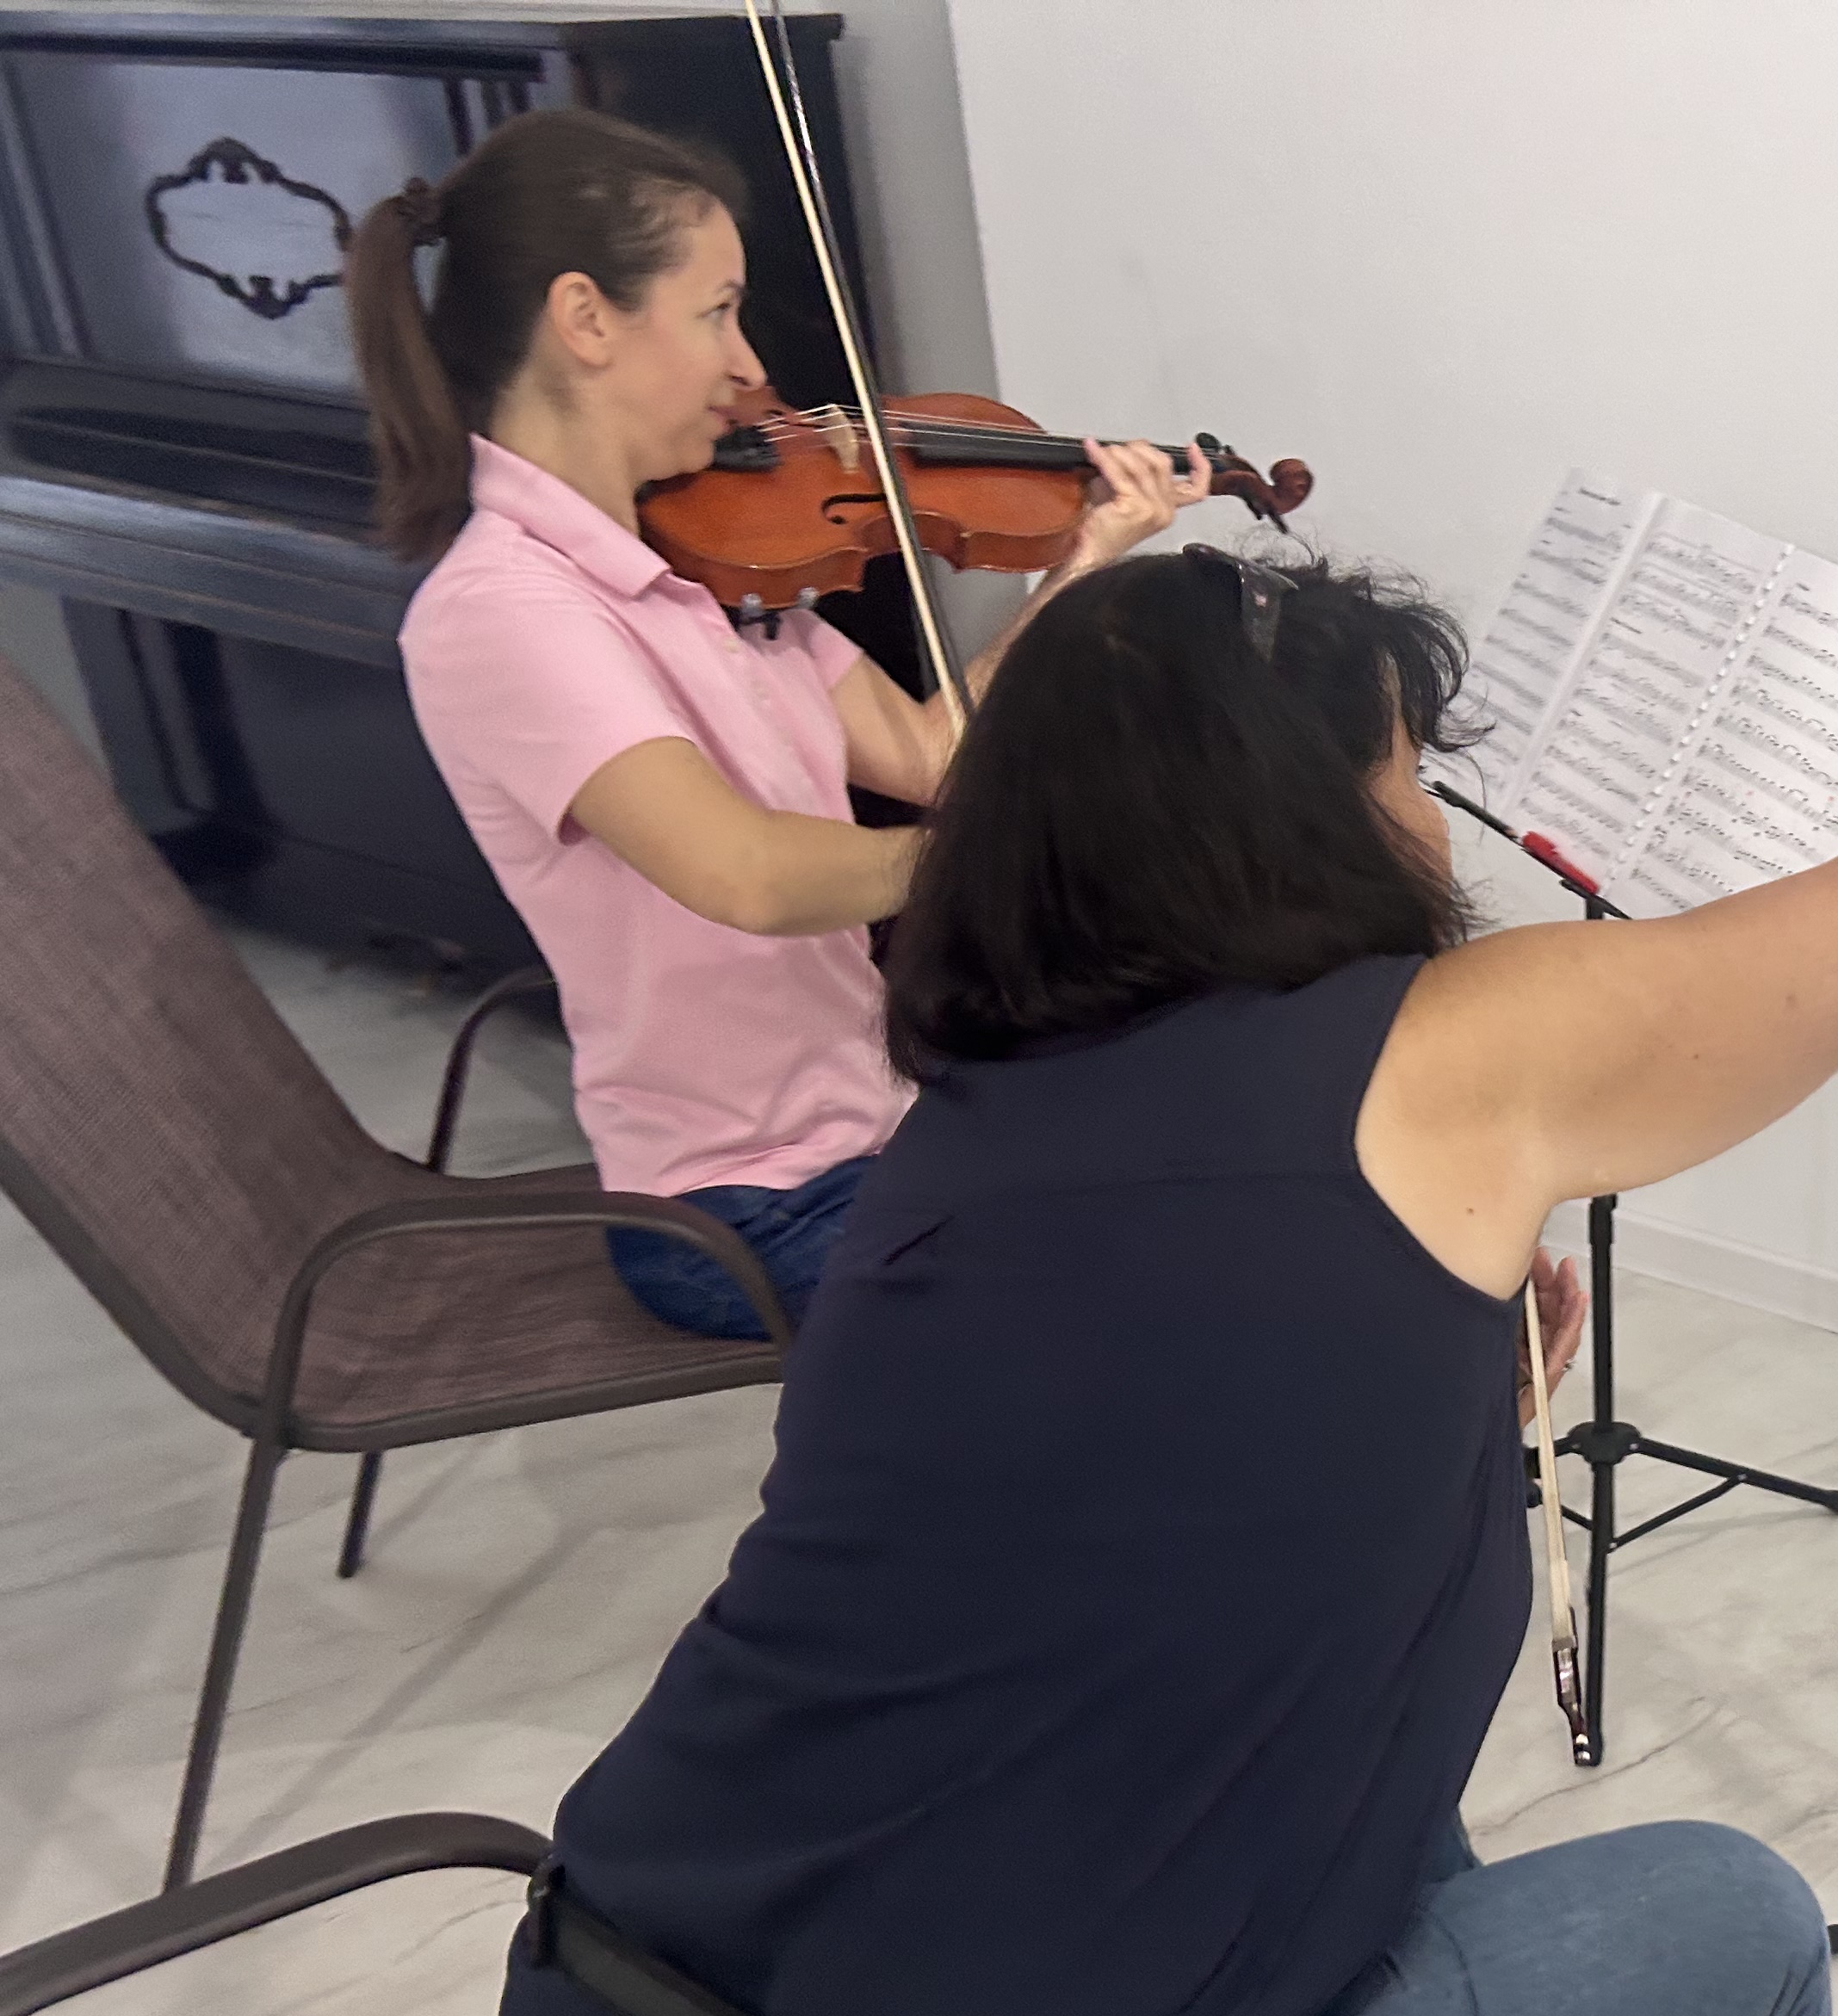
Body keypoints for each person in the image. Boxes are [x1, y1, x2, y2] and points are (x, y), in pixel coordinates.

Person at [497, 417, 1838, 2016]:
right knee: (1729, 1939)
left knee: (1389, 1818)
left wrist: (1429, 1389)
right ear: (1285, 820)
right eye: (1404, 773)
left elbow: (1198, 1542)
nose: (1431, 824)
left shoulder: (968, 1128)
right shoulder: (1431, 1057)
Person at [345, 108, 1210, 1339]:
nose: (749, 367)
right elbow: (745, 874)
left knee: (1230, 1150)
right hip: (747, 1209)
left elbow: (930, 757)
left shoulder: (705, 562)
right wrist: (1018, 858)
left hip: (888, 1126)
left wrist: (1081, 561)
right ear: (586, 319)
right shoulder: (506, 611)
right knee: (1175, 1278)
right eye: (717, 313)